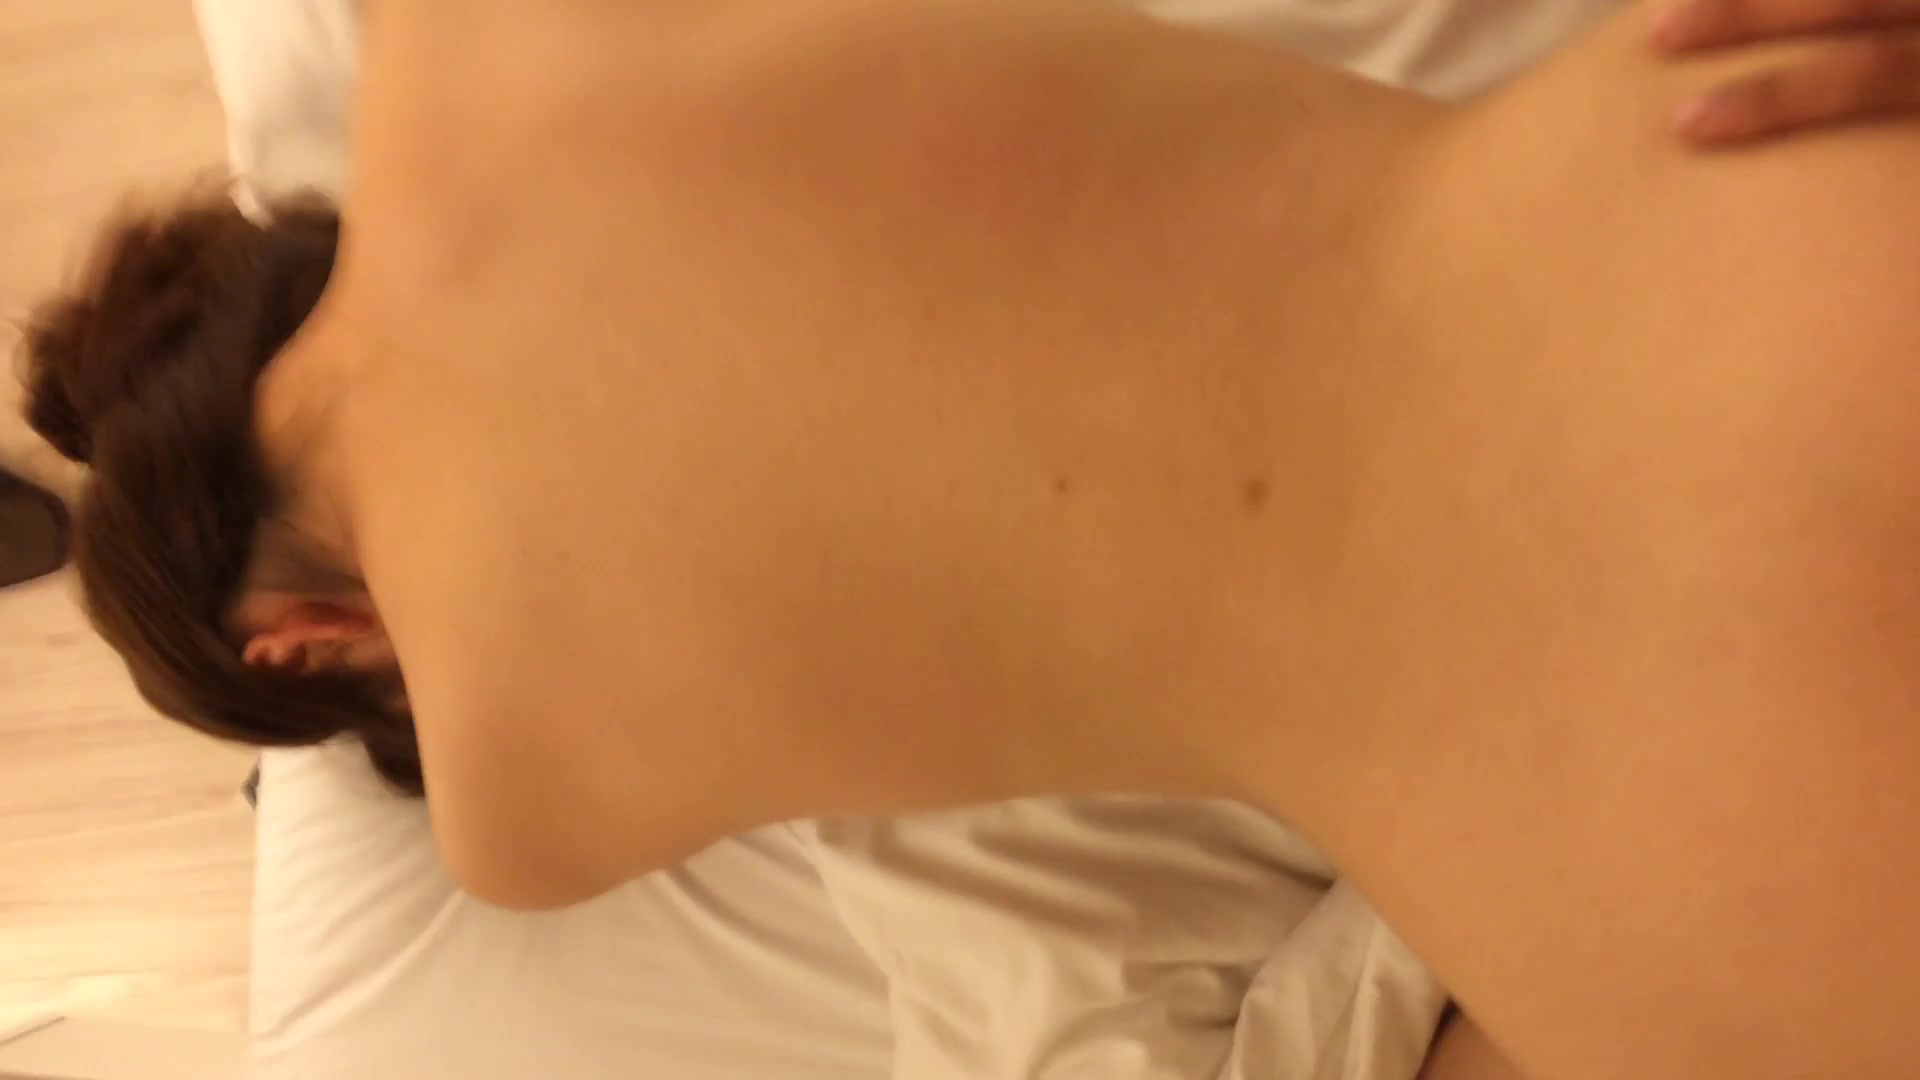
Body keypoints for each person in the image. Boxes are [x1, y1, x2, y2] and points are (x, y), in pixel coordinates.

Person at [20, 1, 1920, 1078]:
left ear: (300, 642)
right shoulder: (481, 44)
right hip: (1702, 241)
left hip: (1654, 850)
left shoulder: (510, 824)